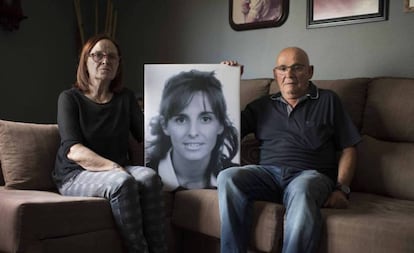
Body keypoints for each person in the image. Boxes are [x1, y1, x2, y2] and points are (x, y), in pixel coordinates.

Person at [219, 47, 361, 253]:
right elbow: (226, 130)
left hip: (309, 176)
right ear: (275, 74)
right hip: (267, 175)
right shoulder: (262, 106)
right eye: (283, 69)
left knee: (303, 189)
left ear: (310, 71)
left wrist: (342, 189)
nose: (289, 75)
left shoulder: (328, 100)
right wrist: (228, 82)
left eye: (297, 68)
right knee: (228, 177)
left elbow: (349, 147)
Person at [52, 34, 167, 253]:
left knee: (150, 178)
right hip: (75, 173)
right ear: (85, 61)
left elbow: (150, 135)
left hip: (118, 168)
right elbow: (73, 151)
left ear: (118, 64)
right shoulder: (69, 98)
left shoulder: (125, 98)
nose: (105, 61)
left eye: (112, 57)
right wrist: (113, 167)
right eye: (98, 55)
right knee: (122, 182)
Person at [146, 70, 239, 191]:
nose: (193, 132)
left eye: (205, 119)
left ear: (221, 124)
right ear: (165, 126)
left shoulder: (235, 176)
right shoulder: (147, 176)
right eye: (181, 120)